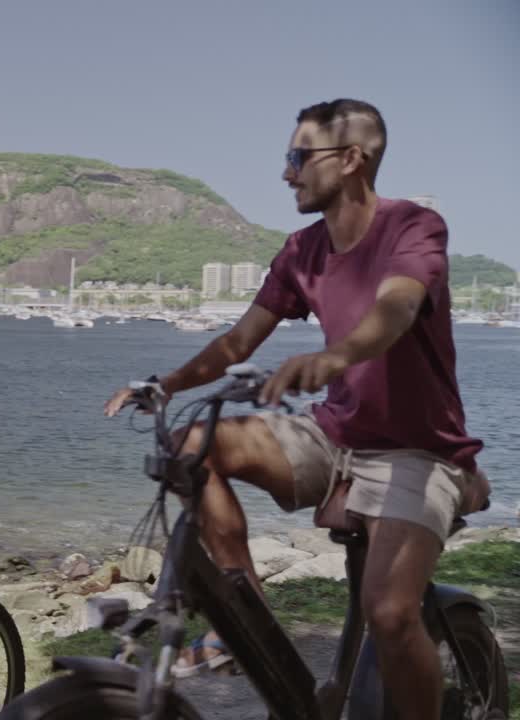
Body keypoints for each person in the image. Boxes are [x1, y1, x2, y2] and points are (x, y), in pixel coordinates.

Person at [104, 99, 489, 718]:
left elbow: (396, 308)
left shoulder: (414, 227)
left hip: (419, 449)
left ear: (352, 159)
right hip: (333, 436)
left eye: (298, 158)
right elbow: (237, 342)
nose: (287, 174)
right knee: (189, 447)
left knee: (389, 614)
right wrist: (165, 383)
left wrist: (336, 357)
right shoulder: (301, 250)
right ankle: (243, 615)